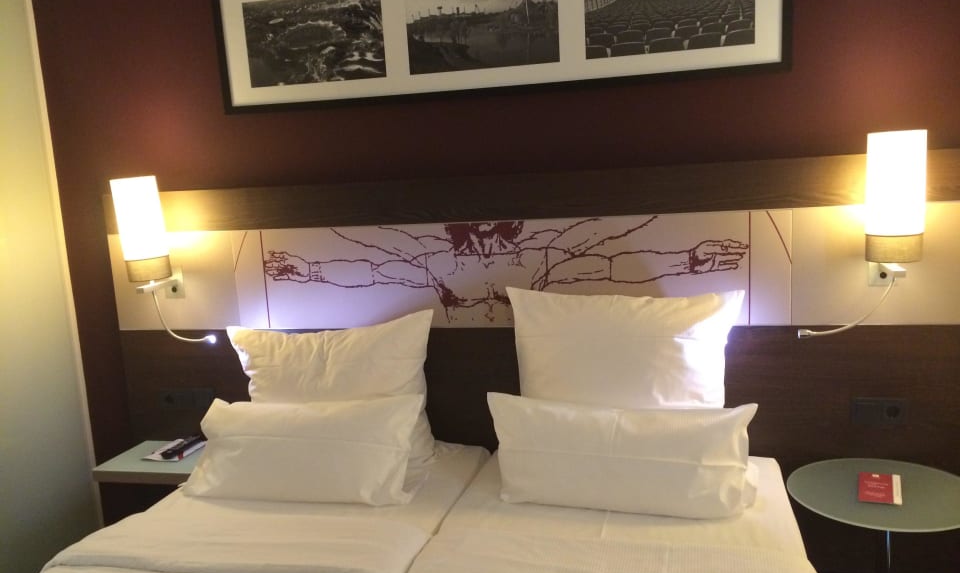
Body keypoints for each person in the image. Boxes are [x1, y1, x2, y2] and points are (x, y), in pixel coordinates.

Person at [264, 217, 748, 324]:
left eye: (493, 226)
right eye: (475, 226)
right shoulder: (439, 263)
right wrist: (309, 271)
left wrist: (689, 260)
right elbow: (375, 270)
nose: (484, 233)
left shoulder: (536, 259)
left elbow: (607, 266)